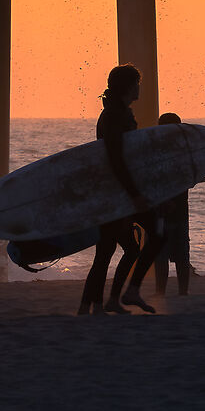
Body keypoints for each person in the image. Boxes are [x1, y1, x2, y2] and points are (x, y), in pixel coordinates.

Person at [77, 65, 162, 314]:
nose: (140, 88)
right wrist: (133, 194)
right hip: (116, 193)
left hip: (114, 191)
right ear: (128, 86)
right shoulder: (115, 115)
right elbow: (116, 159)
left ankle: (97, 304)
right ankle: (117, 296)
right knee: (155, 233)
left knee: (113, 249)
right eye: (137, 82)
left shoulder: (118, 112)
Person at [150, 111, 193, 296]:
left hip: (162, 211)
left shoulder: (155, 152)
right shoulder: (183, 150)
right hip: (176, 210)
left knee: (163, 256)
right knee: (180, 255)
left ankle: (162, 292)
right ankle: (182, 292)